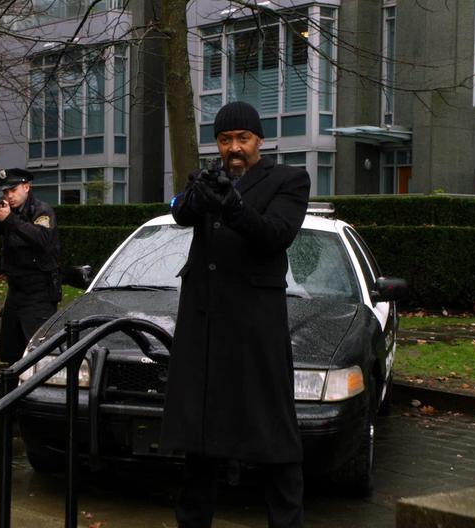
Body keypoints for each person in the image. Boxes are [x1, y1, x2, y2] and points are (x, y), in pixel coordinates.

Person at [160, 101, 311, 527]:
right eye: (225, 140)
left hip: (254, 330)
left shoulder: (289, 179)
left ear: (259, 140)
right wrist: (197, 194)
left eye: (242, 138)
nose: (234, 148)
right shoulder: (210, 178)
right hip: (203, 327)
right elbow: (179, 212)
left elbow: (276, 236)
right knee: (199, 443)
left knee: (275, 439)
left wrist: (234, 206)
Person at [0, 168, 61, 364]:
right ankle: (11, 391)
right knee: (9, 351)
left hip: (38, 292)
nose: (9, 196)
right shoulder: (11, 211)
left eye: (13, 190)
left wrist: (9, 219)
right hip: (15, 291)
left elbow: (41, 239)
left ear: (26, 187)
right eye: (5, 192)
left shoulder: (41, 211)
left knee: (40, 353)